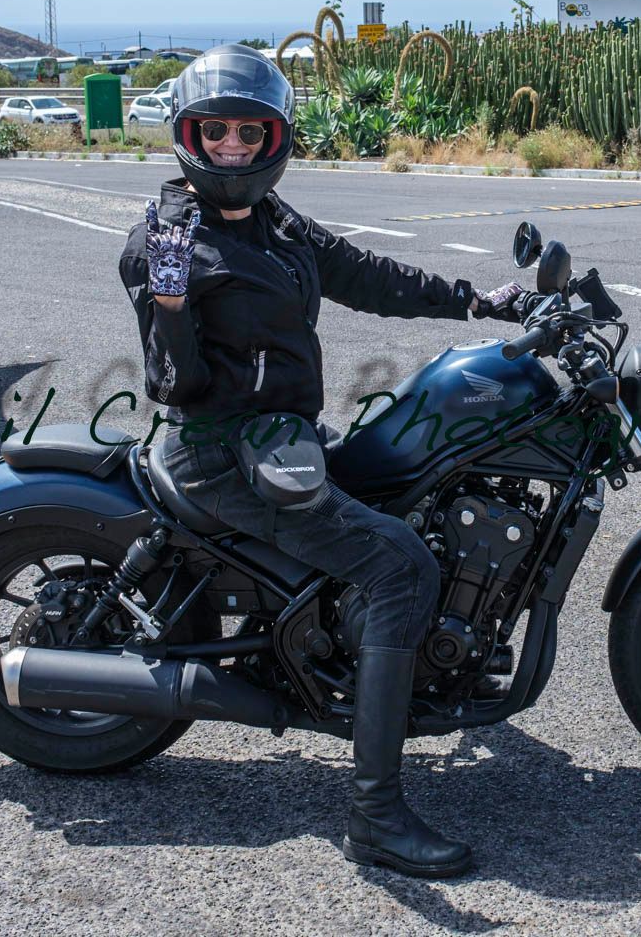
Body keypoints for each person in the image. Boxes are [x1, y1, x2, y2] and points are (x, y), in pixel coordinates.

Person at [118, 44, 526, 878]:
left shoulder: (277, 222)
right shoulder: (167, 240)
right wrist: (166, 301)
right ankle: (374, 816)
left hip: (277, 438)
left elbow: (363, 274)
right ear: (187, 136)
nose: (232, 144)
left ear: (275, 139)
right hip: (220, 455)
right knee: (400, 567)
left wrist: (479, 299)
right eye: (215, 130)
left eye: (250, 130)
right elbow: (176, 384)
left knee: (408, 491)